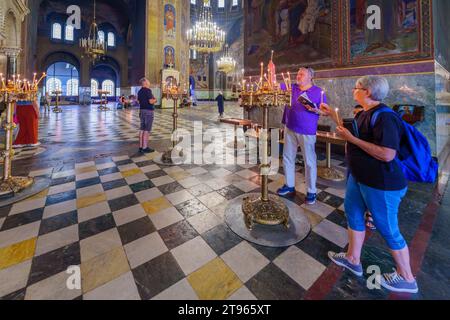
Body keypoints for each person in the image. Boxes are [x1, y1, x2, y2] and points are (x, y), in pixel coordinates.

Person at [321, 75, 418, 294]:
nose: (353, 90)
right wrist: (331, 115)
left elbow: (387, 154)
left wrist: (352, 141)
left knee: (387, 228)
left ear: (368, 92)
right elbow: (353, 132)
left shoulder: (386, 118)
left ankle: (407, 277)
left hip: (381, 183)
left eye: (357, 88)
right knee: (353, 213)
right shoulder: (365, 113)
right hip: (360, 177)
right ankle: (353, 259)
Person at [277, 67, 326, 204]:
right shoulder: (291, 87)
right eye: (297, 73)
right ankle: (289, 185)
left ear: (310, 76)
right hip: (290, 126)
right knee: (287, 157)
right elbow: (274, 85)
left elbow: (325, 111)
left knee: (309, 161)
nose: (298, 76)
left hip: (307, 130)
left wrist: (316, 110)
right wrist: (271, 71)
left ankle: (311, 191)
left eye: (302, 74)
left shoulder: (317, 92)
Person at [137, 78, 157, 153]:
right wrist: (155, 100)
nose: (149, 82)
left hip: (141, 111)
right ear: (145, 83)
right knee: (147, 130)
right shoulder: (148, 90)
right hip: (148, 111)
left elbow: (138, 101)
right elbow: (151, 101)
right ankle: (145, 147)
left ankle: (141, 147)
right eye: (148, 81)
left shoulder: (139, 91)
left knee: (142, 128)